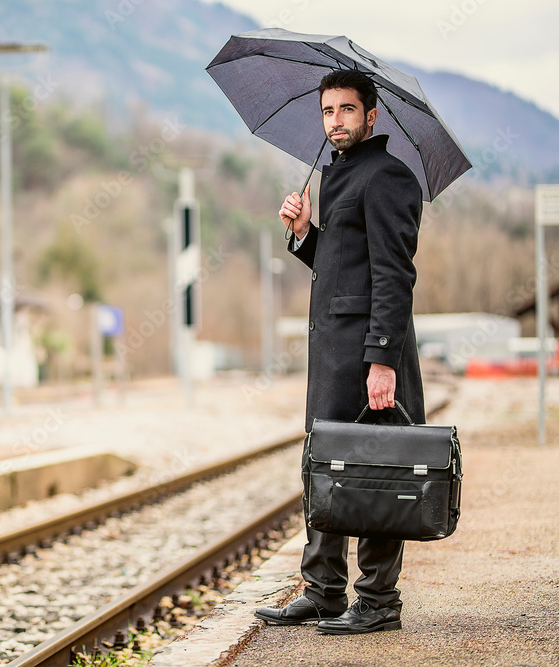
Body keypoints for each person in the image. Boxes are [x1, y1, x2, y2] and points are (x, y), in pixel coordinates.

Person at [253, 69, 425, 635]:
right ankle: (323, 591)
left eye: (347, 110)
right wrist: (306, 233)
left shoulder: (388, 177)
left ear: (370, 116)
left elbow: (394, 275)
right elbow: (343, 267)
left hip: (369, 354)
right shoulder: (337, 177)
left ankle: (378, 601)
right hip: (332, 355)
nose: (335, 121)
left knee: (377, 469)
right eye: (328, 111)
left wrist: (383, 360)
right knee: (324, 465)